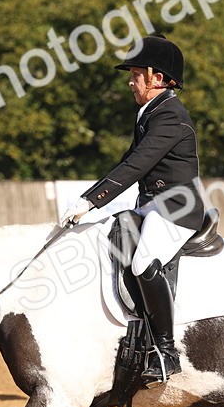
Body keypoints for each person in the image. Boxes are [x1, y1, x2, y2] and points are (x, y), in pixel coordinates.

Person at [58, 35, 205, 385]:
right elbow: (127, 161)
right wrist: (91, 202)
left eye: (137, 74)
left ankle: (166, 352)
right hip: (152, 205)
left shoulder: (170, 115)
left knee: (142, 262)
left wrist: (91, 200)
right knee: (108, 237)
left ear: (158, 78)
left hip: (176, 208)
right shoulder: (150, 112)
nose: (130, 80)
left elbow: (136, 166)